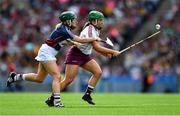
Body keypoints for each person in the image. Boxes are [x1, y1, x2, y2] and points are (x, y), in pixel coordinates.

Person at [6, 11, 101, 108]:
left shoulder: (65, 29)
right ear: (67, 21)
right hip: (47, 52)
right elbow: (80, 39)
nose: (75, 22)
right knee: (57, 76)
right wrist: (94, 39)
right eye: (73, 20)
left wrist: (74, 43)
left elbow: (65, 40)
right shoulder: (64, 30)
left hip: (47, 52)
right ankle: (57, 101)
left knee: (39, 78)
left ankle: (15, 77)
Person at [45, 10, 120, 106]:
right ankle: (51, 98)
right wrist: (112, 52)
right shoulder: (90, 30)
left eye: (102, 20)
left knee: (98, 72)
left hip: (85, 56)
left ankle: (87, 95)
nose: (102, 22)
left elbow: (95, 47)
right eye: (100, 20)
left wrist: (106, 54)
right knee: (68, 80)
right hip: (76, 54)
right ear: (94, 21)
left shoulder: (96, 29)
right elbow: (97, 47)